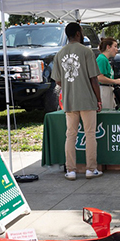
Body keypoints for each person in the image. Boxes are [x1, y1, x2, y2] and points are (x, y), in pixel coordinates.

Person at [51, 22, 102, 180]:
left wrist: (70, 85)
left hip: (69, 101)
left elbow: (58, 81)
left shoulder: (60, 54)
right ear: (78, 34)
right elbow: (94, 79)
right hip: (87, 100)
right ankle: (90, 169)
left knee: (70, 135)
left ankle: (71, 170)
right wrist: (99, 99)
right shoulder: (86, 51)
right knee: (90, 135)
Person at [96, 37, 120, 111]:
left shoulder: (105, 60)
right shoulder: (102, 59)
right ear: (108, 47)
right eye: (115, 46)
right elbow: (99, 78)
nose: (117, 49)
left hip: (108, 90)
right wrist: (115, 81)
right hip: (103, 90)